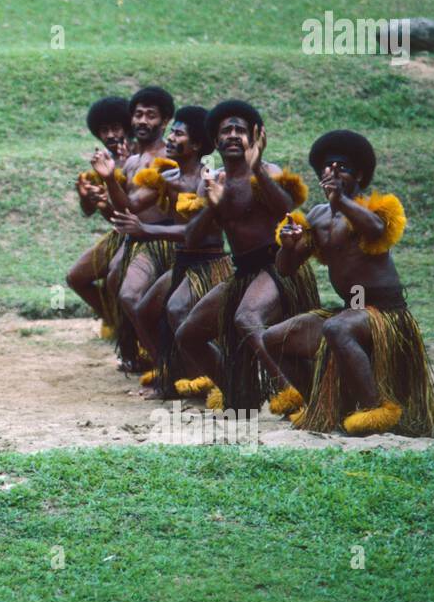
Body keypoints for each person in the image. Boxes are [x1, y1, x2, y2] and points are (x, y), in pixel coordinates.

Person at [263, 130, 434, 437]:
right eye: (327, 167)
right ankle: (320, 406)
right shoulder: (317, 216)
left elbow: (377, 231)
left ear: (359, 176)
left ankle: (377, 408)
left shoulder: (373, 208)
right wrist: (287, 245)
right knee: (274, 338)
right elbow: (285, 269)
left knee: (337, 328)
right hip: (350, 309)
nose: (333, 172)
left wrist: (341, 200)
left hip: (384, 312)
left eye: (343, 168)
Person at [173, 100, 318, 411]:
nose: (234, 135)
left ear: (254, 138)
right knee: (189, 334)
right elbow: (191, 238)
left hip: (277, 266)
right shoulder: (212, 182)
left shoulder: (269, 172)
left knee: (247, 318)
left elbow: (285, 210)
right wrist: (213, 206)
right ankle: (239, 392)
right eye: (227, 130)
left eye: (241, 130)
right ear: (216, 140)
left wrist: (256, 170)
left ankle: (292, 395)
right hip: (243, 272)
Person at [130, 106, 233, 399]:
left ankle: (208, 380)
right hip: (183, 260)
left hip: (208, 263)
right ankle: (170, 375)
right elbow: (129, 203)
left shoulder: (206, 180)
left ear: (197, 145)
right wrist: (108, 184)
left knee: (176, 310)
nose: (171, 139)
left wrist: (146, 231)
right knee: (144, 309)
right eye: (171, 131)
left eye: (178, 133)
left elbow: (195, 232)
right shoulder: (170, 177)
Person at [96, 86, 179, 375]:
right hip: (135, 237)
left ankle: (166, 368)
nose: (142, 121)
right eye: (138, 114)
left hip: (162, 239)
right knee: (113, 281)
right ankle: (134, 354)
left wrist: (109, 182)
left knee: (131, 296)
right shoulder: (131, 161)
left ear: (165, 120)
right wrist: (100, 198)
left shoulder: (166, 160)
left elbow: (131, 205)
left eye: (151, 115)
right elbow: (120, 212)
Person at [67, 97, 132, 341]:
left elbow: (133, 211)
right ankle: (119, 325)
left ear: (128, 126)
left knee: (122, 283)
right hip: (120, 235)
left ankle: (137, 333)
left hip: (147, 235)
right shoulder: (102, 162)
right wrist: (87, 197)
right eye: (104, 130)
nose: (111, 135)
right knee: (76, 277)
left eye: (116, 128)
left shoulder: (141, 156)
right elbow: (91, 212)